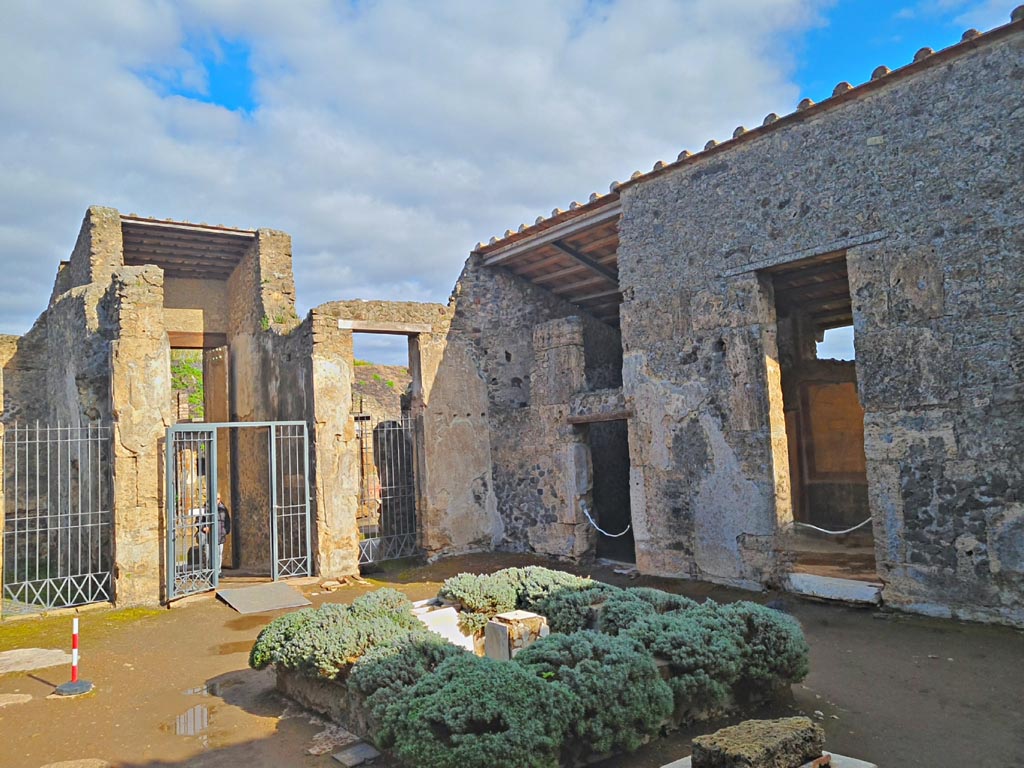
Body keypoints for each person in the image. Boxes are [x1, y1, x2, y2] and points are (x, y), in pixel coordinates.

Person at [216, 493, 232, 575]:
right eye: (215, 498)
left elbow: (227, 520)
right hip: (209, 536)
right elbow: (199, 520)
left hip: (220, 535)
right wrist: (203, 528)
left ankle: (218, 572)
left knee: (219, 553)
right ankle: (209, 572)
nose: (217, 500)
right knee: (208, 555)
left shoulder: (223, 508)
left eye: (218, 498)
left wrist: (226, 530)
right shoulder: (206, 508)